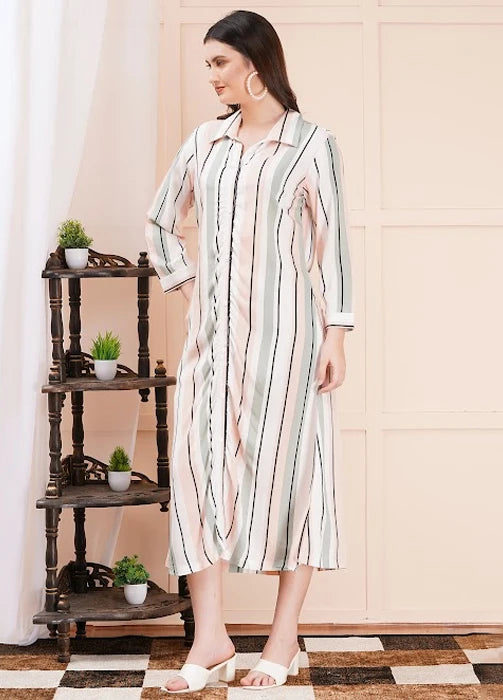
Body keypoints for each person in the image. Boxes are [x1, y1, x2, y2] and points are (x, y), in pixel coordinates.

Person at [144, 9, 355, 694]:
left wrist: (336, 335)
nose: (210, 77)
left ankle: (282, 638)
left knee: (294, 477)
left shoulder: (311, 145)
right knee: (200, 478)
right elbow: (161, 222)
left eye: (219, 63)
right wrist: (191, 291)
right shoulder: (205, 143)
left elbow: (333, 246)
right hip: (213, 345)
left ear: (256, 65)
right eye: (207, 64)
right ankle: (211, 640)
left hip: (290, 343)